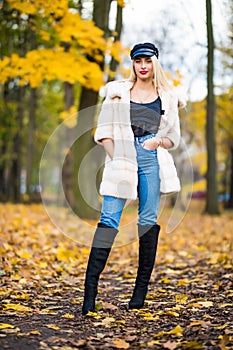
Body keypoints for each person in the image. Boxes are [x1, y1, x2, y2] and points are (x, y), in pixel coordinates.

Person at [82, 42, 185, 315]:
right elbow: (103, 132)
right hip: (122, 157)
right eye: (138, 60)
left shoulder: (167, 97)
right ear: (133, 64)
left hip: (151, 159)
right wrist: (117, 158)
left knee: (148, 221)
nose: (143, 66)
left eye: (148, 60)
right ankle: (89, 294)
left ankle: (139, 293)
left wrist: (156, 143)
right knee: (109, 219)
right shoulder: (117, 94)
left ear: (155, 63)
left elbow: (173, 138)